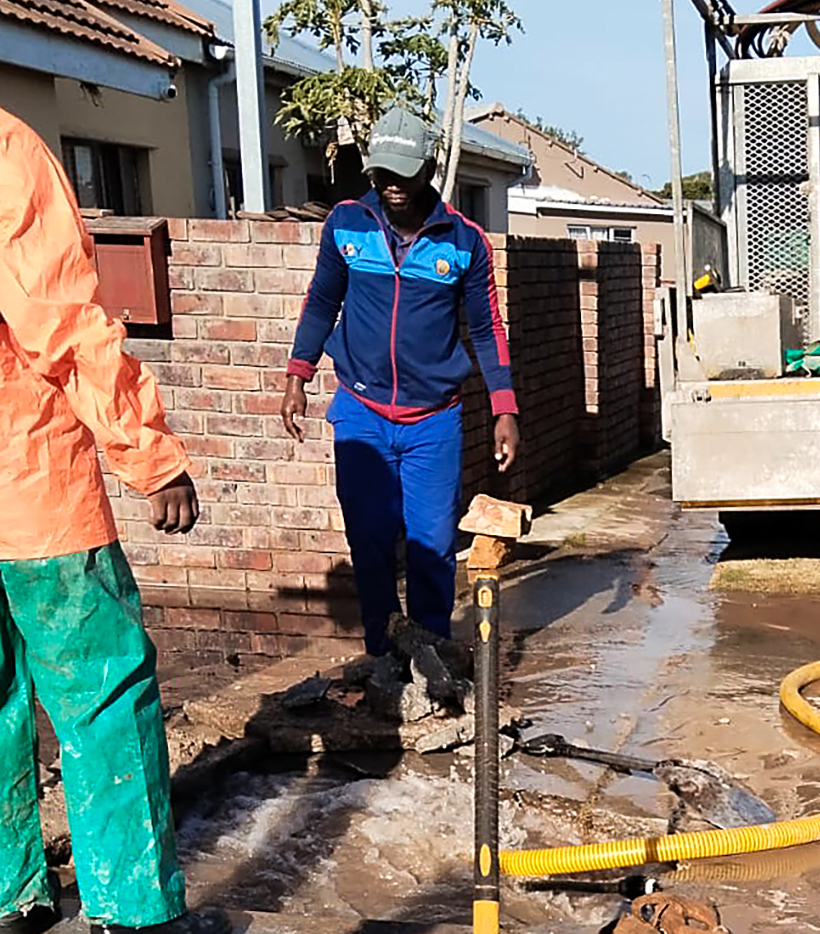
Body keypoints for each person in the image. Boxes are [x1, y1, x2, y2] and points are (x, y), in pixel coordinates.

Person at [0, 107, 227, 934]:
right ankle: (129, 911)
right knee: (103, 698)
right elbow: (61, 324)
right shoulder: (5, 152)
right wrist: (149, 453)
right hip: (32, 494)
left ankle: (11, 893)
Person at [281, 107, 520, 656]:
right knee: (369, 541)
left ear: (429, 170)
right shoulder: (347, 224)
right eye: (383, 173)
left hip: (433, 420)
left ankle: (431, 657)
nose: (392, 185)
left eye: (404, 174)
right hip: (360, 412)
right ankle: (383, 658)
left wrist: (504, 408)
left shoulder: (464, 242)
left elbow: (488, 328)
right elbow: (321, 301)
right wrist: (298, 373)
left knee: (432, 547)